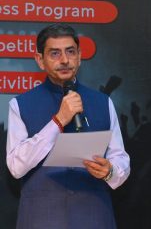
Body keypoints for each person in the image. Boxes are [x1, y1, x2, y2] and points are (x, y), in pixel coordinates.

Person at [6, 24, 130, 228]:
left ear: (80, 56)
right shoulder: (20, 105)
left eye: (70, 52)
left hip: (95, 215)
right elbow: (16, 167)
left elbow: (120, 157)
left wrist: (110, 171)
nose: (64, 60)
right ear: (40, 60)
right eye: (54, 53)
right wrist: (58, 121)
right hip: (40, 217)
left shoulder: (103, 102)